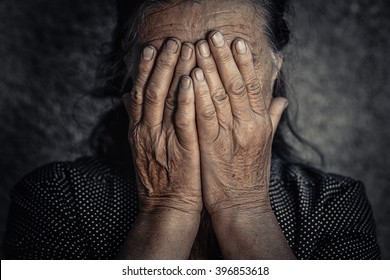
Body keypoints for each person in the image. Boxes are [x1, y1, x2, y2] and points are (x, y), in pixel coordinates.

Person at [3, 0, 381, 259]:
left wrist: (244, 208)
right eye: (170, 57)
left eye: (230, 57)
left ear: (274, 67)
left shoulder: (333, 204)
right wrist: (166, 210)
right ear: (130, 73)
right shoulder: (57, 198)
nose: (198, 86)